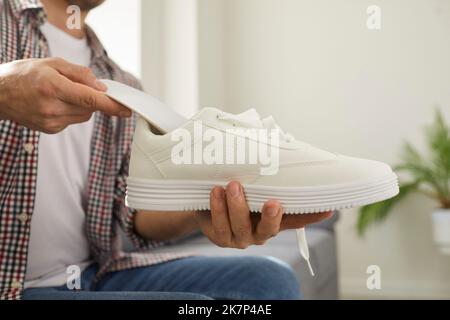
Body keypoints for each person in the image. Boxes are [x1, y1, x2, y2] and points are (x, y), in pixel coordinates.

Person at [0, 0, 332, 300]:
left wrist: (209, 204)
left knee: (268, 280)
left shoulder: (121, 83)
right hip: (11, 285)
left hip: (93, 274)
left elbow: (135, 216)